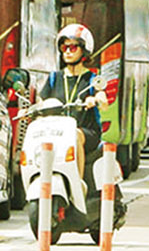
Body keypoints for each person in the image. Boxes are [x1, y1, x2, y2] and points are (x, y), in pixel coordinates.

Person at [44, 23, 104, 168]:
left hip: (85, 131)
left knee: (74, 135)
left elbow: (102, 98)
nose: (68, 52)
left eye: (73, 47)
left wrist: (95, 99)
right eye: (64, 48)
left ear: (84, 50)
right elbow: (41, 101)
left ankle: (78, 184)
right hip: (56, 130)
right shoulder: (54, 78)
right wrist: (28, 109)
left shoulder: (91, 79)